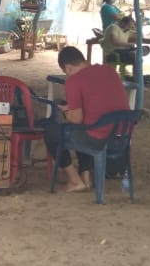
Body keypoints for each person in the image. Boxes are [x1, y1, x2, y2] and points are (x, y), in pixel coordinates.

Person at [49, 47, 131, 192]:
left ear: (67, 68)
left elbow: (76, 119)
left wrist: (66, 110)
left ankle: (75, 181)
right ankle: (85, 178)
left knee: (52, 132)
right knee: (84, 127)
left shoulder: (74, 80)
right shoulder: (109, 71)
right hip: (122, 136)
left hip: (100, 138)